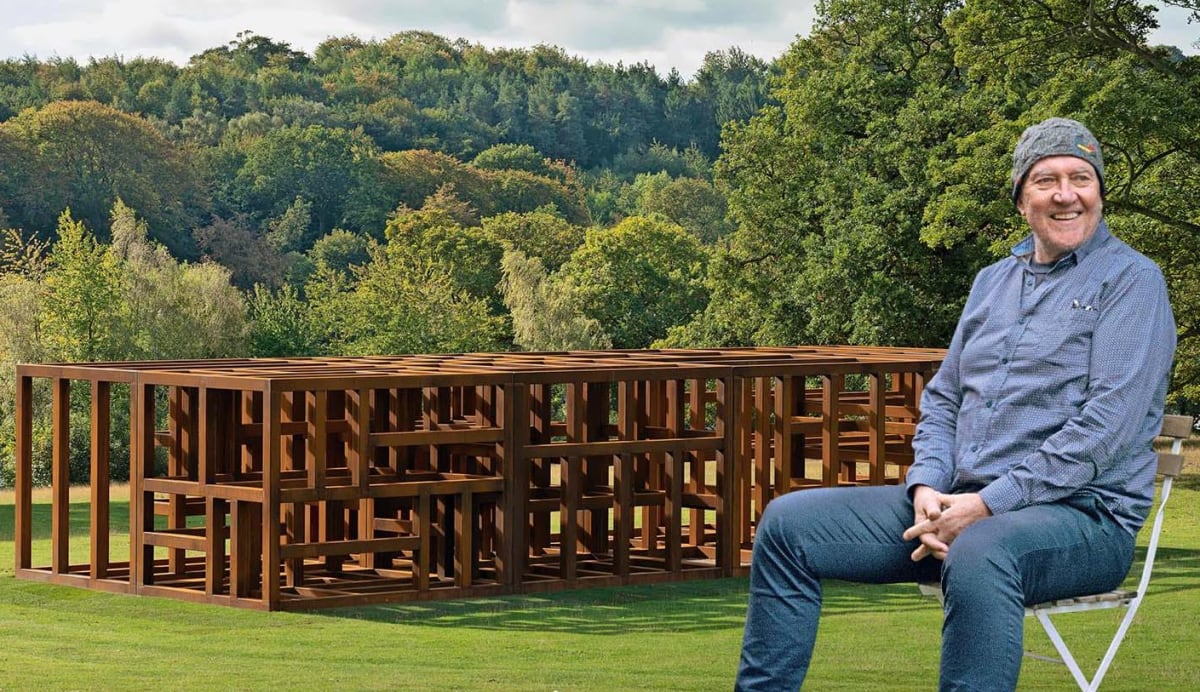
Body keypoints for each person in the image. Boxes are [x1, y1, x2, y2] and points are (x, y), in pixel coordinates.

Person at [734, 117, 1177, 691]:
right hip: (958, 503)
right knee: (787, 525)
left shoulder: (1133, 282)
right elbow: (944, 399)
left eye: (1081, 178)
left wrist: (988, 506)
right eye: (1046, 180)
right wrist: (926, 488)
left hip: (1084, 519)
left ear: (1098, 192)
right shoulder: (992, 281)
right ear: (1022, 198)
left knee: (981, 550)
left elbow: (1106, 428)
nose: (1066, 194)